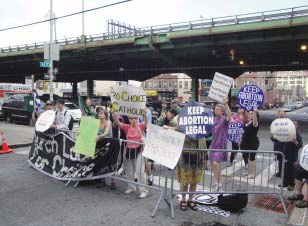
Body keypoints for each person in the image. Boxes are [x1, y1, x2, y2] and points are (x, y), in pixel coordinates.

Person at [113, 108, 148, 199]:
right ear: (128, 119)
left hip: (139, 151)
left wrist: (144, 114)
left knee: (139, 171)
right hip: (128, 151)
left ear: (137, 119)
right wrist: (114, 113)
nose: (133, 120)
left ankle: (143, 190)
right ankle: (131, 187)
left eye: (134, 118)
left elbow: (146, 123)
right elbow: (118, 123)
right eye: (131, 119)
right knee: (129, 170)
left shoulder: (140, 126)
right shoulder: (127, 127)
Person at [209, 99, 232, 191]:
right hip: (213, 144)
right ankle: (216, 182)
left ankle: (220, 183)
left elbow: (229, 117)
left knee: (216, 164)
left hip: (220, 144)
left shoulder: (224, 119)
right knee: (212, 165)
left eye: (218, 109)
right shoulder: (214, 119)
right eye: (215, 109)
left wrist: (226, 104)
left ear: (222, 111)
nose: (216, 110)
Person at [95, 107, 116, 189]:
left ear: (105, 115)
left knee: (111, 162)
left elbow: (106, 132)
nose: (100, 114)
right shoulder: (96, 123)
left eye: (101, 113)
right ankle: (102, 180)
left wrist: (100, 136)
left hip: (110, 144)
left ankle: (113, 181)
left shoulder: (108, 122)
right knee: (101, 161)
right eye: (99, 113)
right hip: (101, 144)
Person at [282, 121, 302, 190]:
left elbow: (299, 145)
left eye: (294, 126)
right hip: (285, 155)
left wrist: (295, 141)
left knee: (292, 171)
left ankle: (291, 185)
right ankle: (285, 183)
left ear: (297, 127)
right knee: (285, 170)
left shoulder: (298, 136)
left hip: (293, 157)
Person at [240, 108, 260, 179]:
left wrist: (255, 112)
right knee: (248, 157)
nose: (250, 114)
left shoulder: (255, 123)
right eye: (250, 113)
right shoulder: (248, 122)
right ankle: (249, 172)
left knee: (252, 158)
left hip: (253, 143)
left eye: (252, 113)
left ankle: (251, 174)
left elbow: (255, 123)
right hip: (246, 142)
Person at [271, 110, 287, 177]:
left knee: (284, 160)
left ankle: (284, 173)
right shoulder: (275, 123)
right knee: (279, 160)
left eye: (282, 116)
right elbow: (272, 136)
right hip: (277, 145)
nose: (281, 117)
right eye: (280, 116)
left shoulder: (288, 124)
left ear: (285, 115)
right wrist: (272, 137)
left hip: (285, 145)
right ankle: (280, 172)